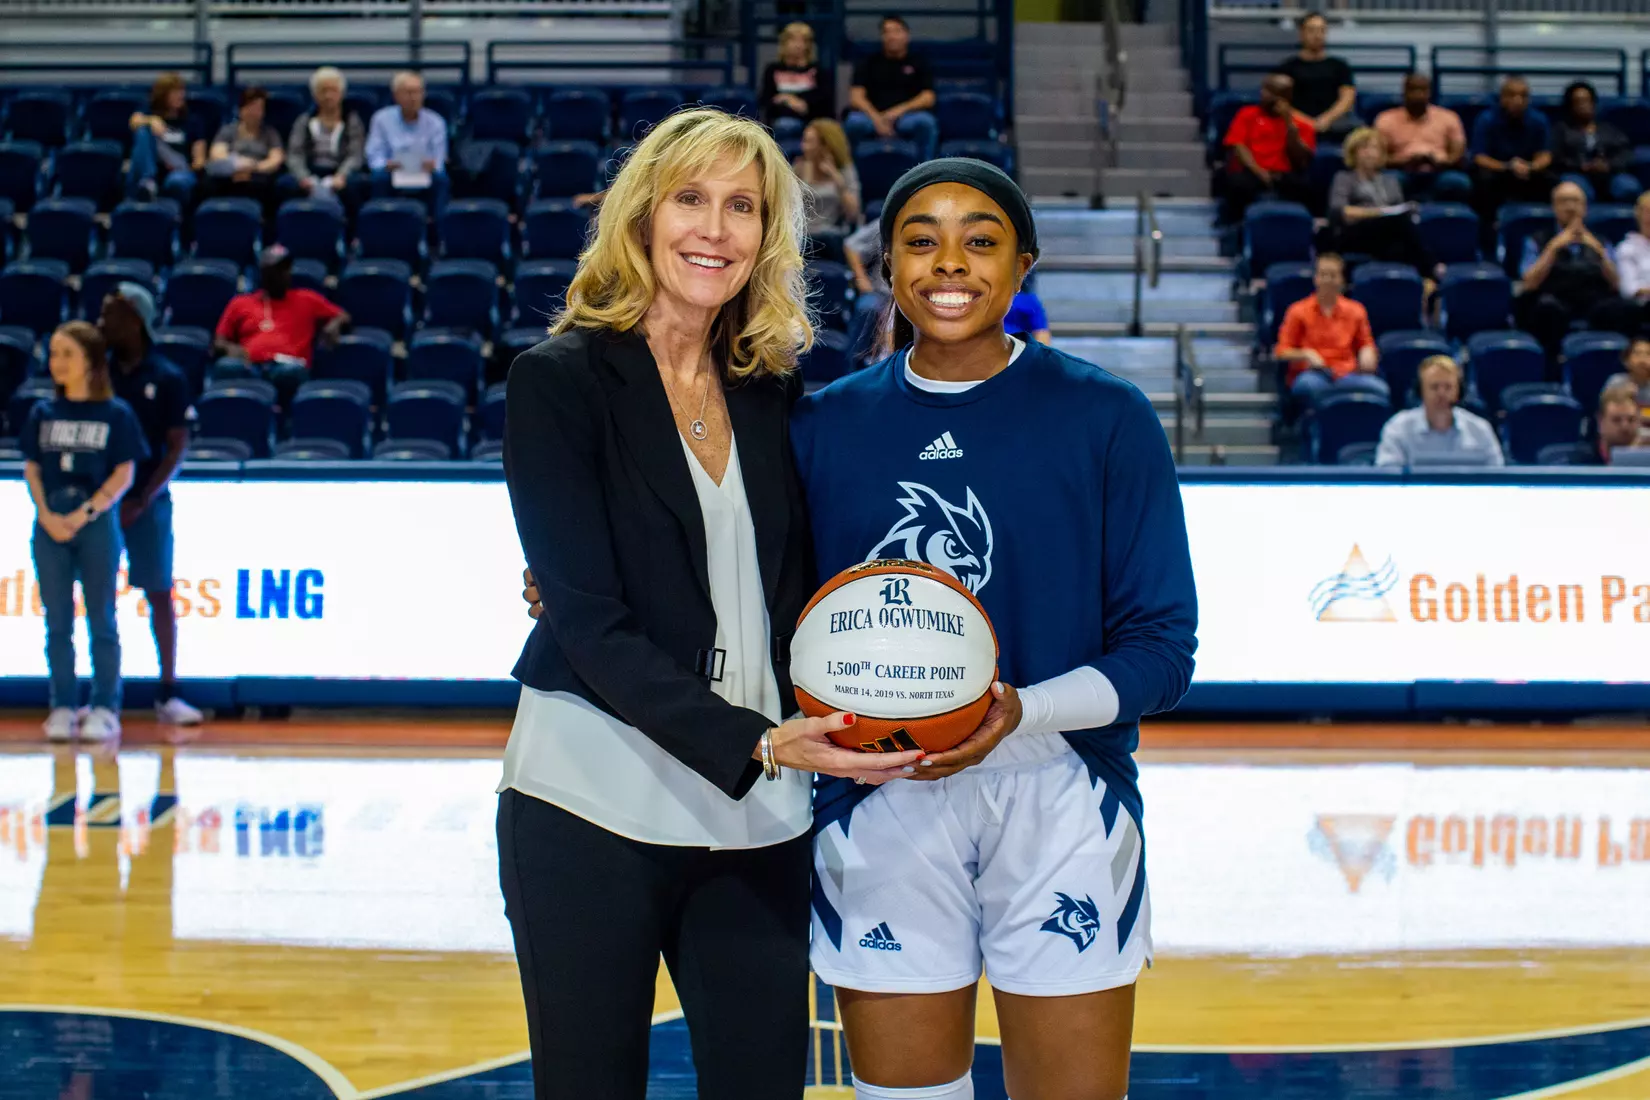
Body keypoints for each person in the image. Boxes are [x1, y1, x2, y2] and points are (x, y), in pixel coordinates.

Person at [498, 108, 921, 1100]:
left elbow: (809, 589)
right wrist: (762, 740)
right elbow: (594, 625)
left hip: (757, 814)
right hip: (589, 795)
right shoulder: (557, 383)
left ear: (768, 236)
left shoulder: (771, 386)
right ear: (644, 215)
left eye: (743, 206)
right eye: (691, 198)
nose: (715, 229)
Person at [794, 158, 1197, 1100]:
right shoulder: (822, 426)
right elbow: (747, 589)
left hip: (1061, 786)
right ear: (887, 266)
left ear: (1023, 268)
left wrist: (1020, 710)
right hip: (876, 787)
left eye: (981, 240)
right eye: (921, 240)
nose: (950, 263)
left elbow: (1161, 650)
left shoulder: (1106, 416)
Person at [20, 322, 147, 743]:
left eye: (67, 355)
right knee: (57, 621)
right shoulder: (42, 413)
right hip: (50, 520)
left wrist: (88, 511)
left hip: (95, 521)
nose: (57, 363)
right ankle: (62, 705)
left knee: (101, 619)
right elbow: (33, 468)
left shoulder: (116, 414)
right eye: (54, 354)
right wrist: (45, 514)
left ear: (91, 363)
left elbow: (125, 471)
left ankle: (106, 706)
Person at [99, 284, 205, 727]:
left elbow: (177, 446)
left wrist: (144, 497)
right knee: (98, 596)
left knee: (160, 592)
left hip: (146, 501)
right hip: (101, 502)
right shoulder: (97, 374)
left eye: (112, 315)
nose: (103, 324)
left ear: (136, 320)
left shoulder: (166, 376)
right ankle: (103, 696)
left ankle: (169, 690)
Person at [1513, 181, 1640, 363]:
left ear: (1585, 208)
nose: (1570, 207)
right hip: (1555, 299)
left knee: (1621, 308)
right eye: (1564, 201)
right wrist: (1553, 248)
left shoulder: (1600, 241)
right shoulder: (1537, 240)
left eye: (1575, 201)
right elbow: (1529, 283)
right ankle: (1552, 364)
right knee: (1545, 308)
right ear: (1554, 207)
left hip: (1593, 301)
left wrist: (1599, 251)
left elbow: (1616, 284)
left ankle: (1611, 362)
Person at [213, 246, 350, 410]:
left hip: (286, 366)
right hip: (250, 366)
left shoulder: (306, 298)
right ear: (264, 273)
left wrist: (333, 325)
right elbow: (218, 341)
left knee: (290, 374)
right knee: (227, 367)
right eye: (276, 270)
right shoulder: (241, 303)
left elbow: (343, 316)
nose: (282, 274)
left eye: (285, 269)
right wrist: (230, 348)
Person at [1276, 253, 1386, 408]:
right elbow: (1281, 351)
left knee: (1379, 389)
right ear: (1316, 279)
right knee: (1312, 388)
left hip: (1347, 374)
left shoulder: (1356, 311)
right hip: (1313, 374)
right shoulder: (1298, 311)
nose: (1328, 280)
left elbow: (1366, 344)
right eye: (1323, 275)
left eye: (1333, 275)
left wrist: (1368, 352)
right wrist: (1306, 354)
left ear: (1341, 280)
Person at [1328, 128, 1430, 272]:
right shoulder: (1344, 178)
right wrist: (1379, 212)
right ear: (1354, 152)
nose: (1370, 153)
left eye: (1375, 148)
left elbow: (1399, 211)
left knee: (1403, 228)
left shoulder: (1390, 181)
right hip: (1356, 232)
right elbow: (1342, 212)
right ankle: (1430, 269)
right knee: (1399, 226)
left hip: (1386, 233)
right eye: (1365, 148)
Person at [1374, 354, 1503, 466]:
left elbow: (1498, 478)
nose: (1441, 393)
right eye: (1434, 387)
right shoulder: (1398, 428)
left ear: (1459, 391)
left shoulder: (1480, 429)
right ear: (1420, 390)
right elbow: (1388, 478)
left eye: (1448, 387)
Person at [1221, 72, 1315, 223]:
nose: (1263, 94)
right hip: (1252, 171)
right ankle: (1234, 229)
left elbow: (1301, 158)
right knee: (1236, 185)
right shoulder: (1247, 114)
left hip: (1284, 174)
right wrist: (1260, 172)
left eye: (1270, 92)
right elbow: (1239, 147)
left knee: (1305, 186)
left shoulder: (1302, 125)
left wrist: (1288, 123)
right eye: (1264, 90)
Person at [845, 15, 938, 161]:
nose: (892, 36)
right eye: (887, 32)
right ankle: (849, 174)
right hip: (872, 116)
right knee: (853, 122)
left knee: (926, 122)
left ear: (907, 35)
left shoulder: (919, 62)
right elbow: (856, 97)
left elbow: (928, 97)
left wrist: (896, 112)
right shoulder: (869, 62)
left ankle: (925, 173)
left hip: (907, 116)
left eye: (896, 31)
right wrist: (877, 119)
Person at [1373, 73, 1471, 203]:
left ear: (1430, 92)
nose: (1418, 95)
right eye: (1413, 89)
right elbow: (1377, 156)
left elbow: (1458, 153)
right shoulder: (1385, 119)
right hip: (1401, 171)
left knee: (1458, 182)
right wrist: (1406, 161)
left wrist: (1439, 162)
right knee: (1391, 181)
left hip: (1440, 171)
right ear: (1404, 92)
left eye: (1423, 90)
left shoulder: (1449, 118)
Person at [366, 71, 450, 215]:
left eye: (418, 92)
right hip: (392, 170)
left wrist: (432, 165)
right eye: (408, 93)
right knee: (378, 178)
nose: (414, 98)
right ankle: (381, 224)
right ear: (396, 95)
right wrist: (387, 164)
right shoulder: (381, 119)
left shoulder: (436, 122)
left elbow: (440, 160)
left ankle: (438, 232)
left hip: (424, 172)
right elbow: (374, 155)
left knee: (442, 181)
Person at [1471, 77, 1555, 221]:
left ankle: (1542, 225)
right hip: (1498, 171)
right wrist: (1507, 166)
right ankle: (1489, 230)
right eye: (1511, 95)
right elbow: (1479, 157)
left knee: (1551, 180)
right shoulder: (1486, 119)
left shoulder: (1539, 120)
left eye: (1523, 96)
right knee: (1483, 180)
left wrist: (1530, 166)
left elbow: (1545, 155)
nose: (1518, 100)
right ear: (1502, 97)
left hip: (1527, 171)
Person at [285, 66, 366, 212]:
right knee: (285, 184)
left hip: (339, 171)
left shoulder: (352, 121)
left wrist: (341, 176)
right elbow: (295, 154)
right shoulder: (304, 121)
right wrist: (304, 177)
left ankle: (352, 232)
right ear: (315, 94)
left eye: (333, 90)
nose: (328, 96)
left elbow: (355, 155)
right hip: (311, 171)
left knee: (356, 185)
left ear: (341, 93)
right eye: (323, 91)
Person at [1551, 81, 1639, 206]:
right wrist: (1581, 166)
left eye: (1587, 101)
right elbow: (1556, 158)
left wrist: (1608, 165)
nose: (1583, 105)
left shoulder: (1609, 130)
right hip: (1576, 173)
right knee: (1576, 191)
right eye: (1578, 102)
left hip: (1610, 174)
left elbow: (1626, 154)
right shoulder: (1561, 130)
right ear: (1570, 105)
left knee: (1628, 187)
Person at [127, 72, 206, 207]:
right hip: (155, 168)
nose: (180, 95)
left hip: (179, 169)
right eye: (175, 92)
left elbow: (199, 159)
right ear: (163, 95)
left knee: (177, 181)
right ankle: (148, 180)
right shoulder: (149, 114)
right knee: (142, 132)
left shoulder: (192, 121)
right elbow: (133, 121)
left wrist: (187, 168)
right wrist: (151, 120)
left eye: (182, 91)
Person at [1276, 12, 1358, 138]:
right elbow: (1280, 102)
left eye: (1322, 30)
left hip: (1333, 126)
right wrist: (1306, 123)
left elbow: (1347, 97)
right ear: (1301, 33)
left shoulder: (1339, 66)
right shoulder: (1287, 67)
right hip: (1296, 128)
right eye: (1311, 30)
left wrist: (1327, 119)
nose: (1317, 35)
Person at [795, 119, 862, 247]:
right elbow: (791, 208)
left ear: (825, 145)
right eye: (804, 141)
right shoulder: (799, 167)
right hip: (802, 235)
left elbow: (853, 214)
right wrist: (807, 177)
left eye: (809, 142)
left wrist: (836, 179)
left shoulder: (844, 170)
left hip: (832, 236)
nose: (803, 147)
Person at [761, 22, 835, 136]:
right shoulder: (772, 70)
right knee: (786, 124)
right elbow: (766, 100)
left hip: (813, 119)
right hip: (783, 118)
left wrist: (798, 103)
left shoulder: (819, 70)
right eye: (794, 40)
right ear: (784, 43)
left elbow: (825, 102)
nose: (798, 45)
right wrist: (791, 101)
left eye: (803, 41)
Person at [1602, 335, 1650, 438]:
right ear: (1626, 361)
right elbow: (1605, 411)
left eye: (1648, 354)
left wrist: (1639, 415)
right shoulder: (1615, 381)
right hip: (1622, 434)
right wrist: (1621, 395)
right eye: (1637, 354)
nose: (1643, 359)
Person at [1590, 380, 1644, 463]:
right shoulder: (1577, 462)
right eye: (1616, 420)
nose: (1624, 426)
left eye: (1631, 420)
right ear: (1600, 421)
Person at [1615, 190, 1650, 312]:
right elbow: (1629, 289)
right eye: (1648, 212)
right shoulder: (1626, 248)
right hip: (1641, 308)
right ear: (1638, 215)